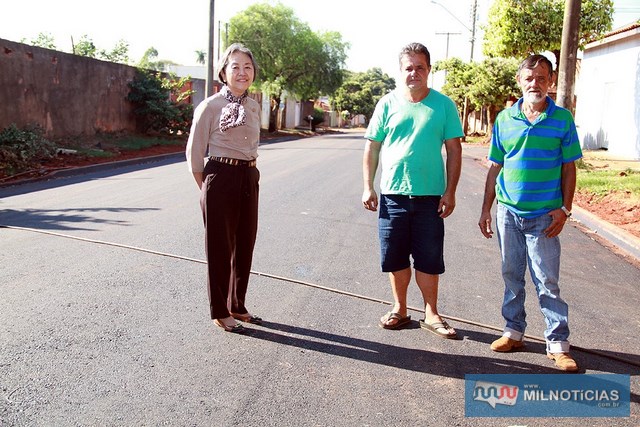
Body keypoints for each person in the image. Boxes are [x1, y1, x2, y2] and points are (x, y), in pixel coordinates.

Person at [478, 54, 582, 371]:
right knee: (511, 274)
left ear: (550, 82)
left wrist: (565, 208)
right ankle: (513, 332)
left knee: (546, 280)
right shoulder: (504, 119)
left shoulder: (562, 120)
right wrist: (486, 208)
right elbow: (495, 166)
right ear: (519, 81)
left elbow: (569, 167)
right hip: (508, 212)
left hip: (545, 216)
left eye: (541, 77)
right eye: (529, 77)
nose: (535, 83)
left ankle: (558, 344)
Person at [362, 42, 463, 339]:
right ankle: (400, 308)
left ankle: (432, 313)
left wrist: (450, 191)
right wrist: (368, 186)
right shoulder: (387, 104)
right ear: (401, 71)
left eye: (420, 67)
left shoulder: (444, 106)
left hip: (430, 196)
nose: (414, 73)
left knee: (429, 257)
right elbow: (372, 146)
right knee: (394, 256)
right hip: (393, 194)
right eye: (409, 67)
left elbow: (454, 151)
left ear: (429, 70)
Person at [186, 43, 263, 334]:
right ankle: (219, 311)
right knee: (219, 247)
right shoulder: (210, 106)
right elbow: (194, 156)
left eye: (247, 67)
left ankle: (237, 304)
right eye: (235, 67)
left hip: (249, 175)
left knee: (245, 244)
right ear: (223, 72)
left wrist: (248, 177)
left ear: (253, 73)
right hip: (220, 175)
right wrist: (208, 190)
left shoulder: (253, 106)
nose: (242, 72)